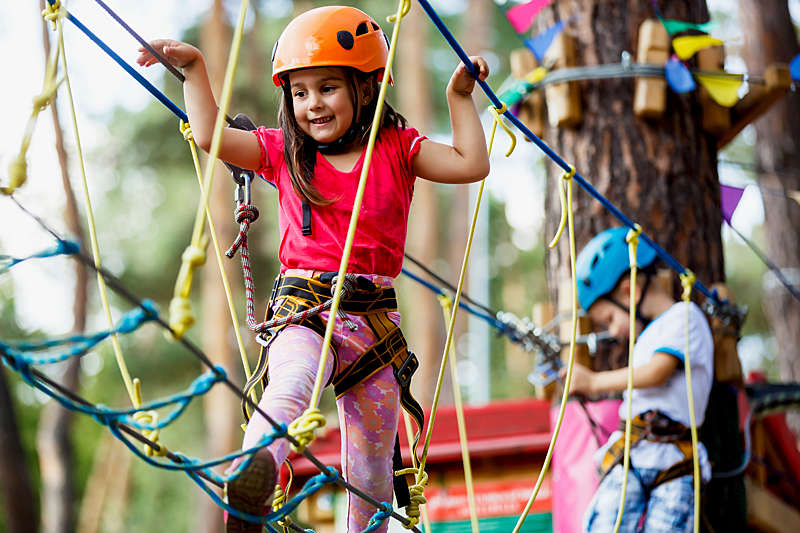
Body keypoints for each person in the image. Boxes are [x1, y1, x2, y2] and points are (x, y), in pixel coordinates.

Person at [137, 6, 490, 532]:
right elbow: (211, 136)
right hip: (306, 312)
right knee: (292, 385)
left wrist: (458, 98)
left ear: (366, 88)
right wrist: (194, 71)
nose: (312, 104)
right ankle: (252, 473)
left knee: (372, 470)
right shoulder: (282, 153)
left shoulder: (397, 147)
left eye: (327, 88)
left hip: (374, 329)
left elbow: (470, 163)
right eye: (299, 93)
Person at [561, 227, 714, 533]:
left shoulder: (684, 317)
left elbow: (657, 373)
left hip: (674, 459)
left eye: (609, 319)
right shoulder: (647, 336)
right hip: (634, 453)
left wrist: (593, 382)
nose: (614, 331)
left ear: (629, 291)